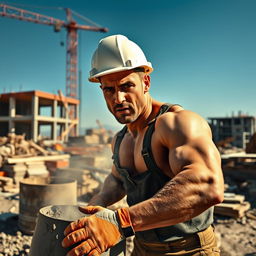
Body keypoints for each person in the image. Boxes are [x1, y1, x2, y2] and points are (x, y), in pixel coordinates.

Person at [62, 34, 224, 256]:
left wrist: (121, 221)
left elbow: (207, 186)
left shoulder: (175, 124)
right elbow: (118, 180)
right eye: (109, 89)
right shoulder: (120, 139)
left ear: (146, 82)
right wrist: (95, 206)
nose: (118, 98)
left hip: (189, 250)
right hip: (142, 248)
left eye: (127, 86)